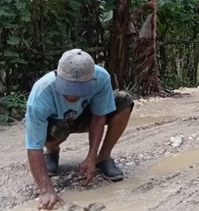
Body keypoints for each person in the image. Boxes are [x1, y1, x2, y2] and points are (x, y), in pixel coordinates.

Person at [23, 49, 134, 210]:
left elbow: (98, 117)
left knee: (124, 101)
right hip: (57, 123)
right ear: (57, 75)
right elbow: (33, 146)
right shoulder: (41, 94)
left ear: (92, 79)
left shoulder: (101, 78)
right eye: (68, 87)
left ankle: (102, 158)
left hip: (83, 115)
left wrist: (92, 156)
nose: (72, 95)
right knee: (54, 129)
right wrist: (46, 190)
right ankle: (52, 152)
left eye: (79, 88)